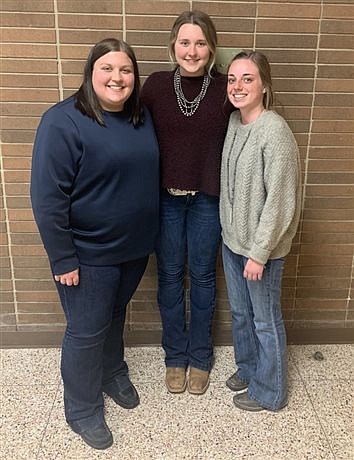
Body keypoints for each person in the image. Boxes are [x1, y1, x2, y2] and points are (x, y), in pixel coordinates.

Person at [30, 38, 159, 449]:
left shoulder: (141, 116)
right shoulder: (62, 121)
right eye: (107, 68)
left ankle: (111, 372)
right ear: (91, 72)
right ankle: (82, 409)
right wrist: (63, 257)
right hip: (86, 255)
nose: (116, 77)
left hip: (133, 249)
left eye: (125, 70)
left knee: (115, 314)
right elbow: (48, 198)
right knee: (86, 330)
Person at [141, 10, 232, 395]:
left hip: (207, 202)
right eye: (184, 42)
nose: (191, 51)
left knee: (204, 277)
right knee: (170, 277)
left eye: (199, 43)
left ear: (211, 48)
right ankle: (174, 356)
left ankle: (201, 357)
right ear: (173, 45)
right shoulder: (157, 86)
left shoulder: (227, 87)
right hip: (165, 201)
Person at [220, 51, 302, 411]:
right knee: (240, 314)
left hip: (260, 252)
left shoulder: (275, 131)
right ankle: (250, 369)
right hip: (232, 243)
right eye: (232, 79)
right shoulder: (234, 124)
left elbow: (281, 201)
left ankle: (270, 392)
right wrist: (230, 236)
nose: (237, 87)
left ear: (264, 86)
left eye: (247, 79)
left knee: (265, 321)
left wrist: (259, 252)